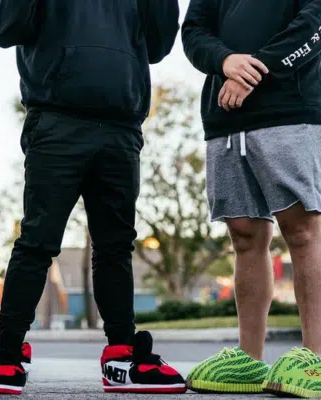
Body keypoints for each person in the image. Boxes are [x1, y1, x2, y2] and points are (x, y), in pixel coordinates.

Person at [0, 0, 185, 395]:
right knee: (38, 241)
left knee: (116, 246)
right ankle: (7, 350)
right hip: (57, 120)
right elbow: (5, 30)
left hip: (121, 126)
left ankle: (121, 355)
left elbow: (158, 46)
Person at [182, 0, 321, 397]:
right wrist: (225, 61)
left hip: (289, 110)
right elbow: (193, 32)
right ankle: (250, 358)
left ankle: (316, 356)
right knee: (243, 235)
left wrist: (254, 72)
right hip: (226, 117)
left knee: (303, 231)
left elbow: (313, 24)